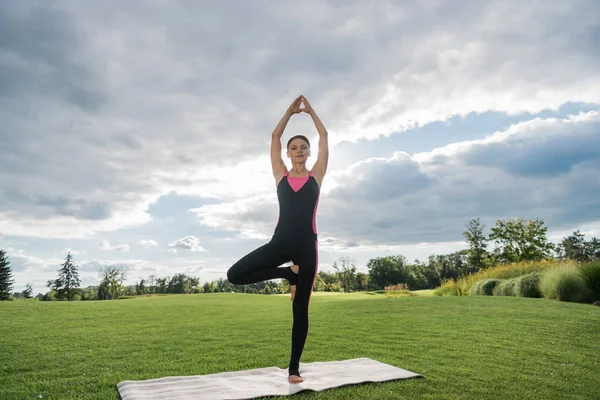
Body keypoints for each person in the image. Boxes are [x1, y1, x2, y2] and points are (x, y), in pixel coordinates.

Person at [227, 94, 329, 384]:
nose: (298, 151)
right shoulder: (280, 176)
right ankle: (288, 274)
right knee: (234, 275)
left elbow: (324, 135)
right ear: (287, 153)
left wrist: (310, 112)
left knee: (301, 310)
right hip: (279, 244)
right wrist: (290, 111)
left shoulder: (316, 176)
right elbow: (274, 135)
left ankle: (294, 368)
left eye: (303, 148)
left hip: (307, 248)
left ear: (309, 153)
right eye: (293, 148)